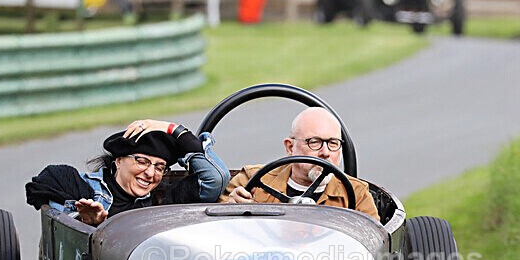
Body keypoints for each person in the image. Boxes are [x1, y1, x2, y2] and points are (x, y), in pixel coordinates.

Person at [26, 119, 229, 225]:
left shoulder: (165, 199)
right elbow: (45, 193)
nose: (150, 173)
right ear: (119, 160)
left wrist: (171, 129)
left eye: (159, 167)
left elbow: (216, 177)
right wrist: (90, 224)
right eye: (142, 161)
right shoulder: (82, 187)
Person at [220, 108, 380, 222]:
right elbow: (213, 234)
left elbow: (373, 247)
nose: (325, 152)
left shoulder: (357, 193)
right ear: (290, 147)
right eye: (314, 142)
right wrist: (231, 210)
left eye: (333, 143)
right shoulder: (250, 180)